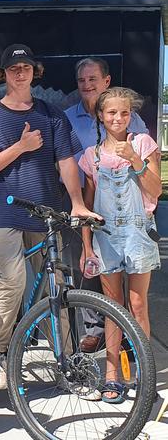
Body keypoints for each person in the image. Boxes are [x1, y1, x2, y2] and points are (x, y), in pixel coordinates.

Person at [0, 44, 99, 390]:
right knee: (14, 280)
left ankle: (69, 363)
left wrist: (76, 204)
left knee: (57, 288)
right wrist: (21, 147)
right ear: (4, 74)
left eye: (26, 67)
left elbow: (67, 161)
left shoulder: (51, 113)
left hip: (45, 214)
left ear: (34, 72)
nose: (20, 72)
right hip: (2, 212)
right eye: (13, 68)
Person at [79, 87, 161, 403]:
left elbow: (154, 190)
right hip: (106, 236)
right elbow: (87, 208)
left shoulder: (143, 144)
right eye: (111, 112)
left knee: (138, 305)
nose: (118, 118)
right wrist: (87, 248)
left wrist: (136, 161)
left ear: (131, 116)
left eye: (124, 113)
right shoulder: (92, 156)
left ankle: (144, 376)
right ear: (101, 115)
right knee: (112, 307)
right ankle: (111, 376)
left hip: (139, 234)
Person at [64, 57, 149, 353]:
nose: (87, 85)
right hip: (82, 196)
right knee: (87, 265)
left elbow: (144, 164)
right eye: (81, 81)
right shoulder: (67, 118)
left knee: (134, 293)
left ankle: (132, 341)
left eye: (93, 79)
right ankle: (94, 329)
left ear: (106, 81)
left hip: (124, 204)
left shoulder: (131, 120)